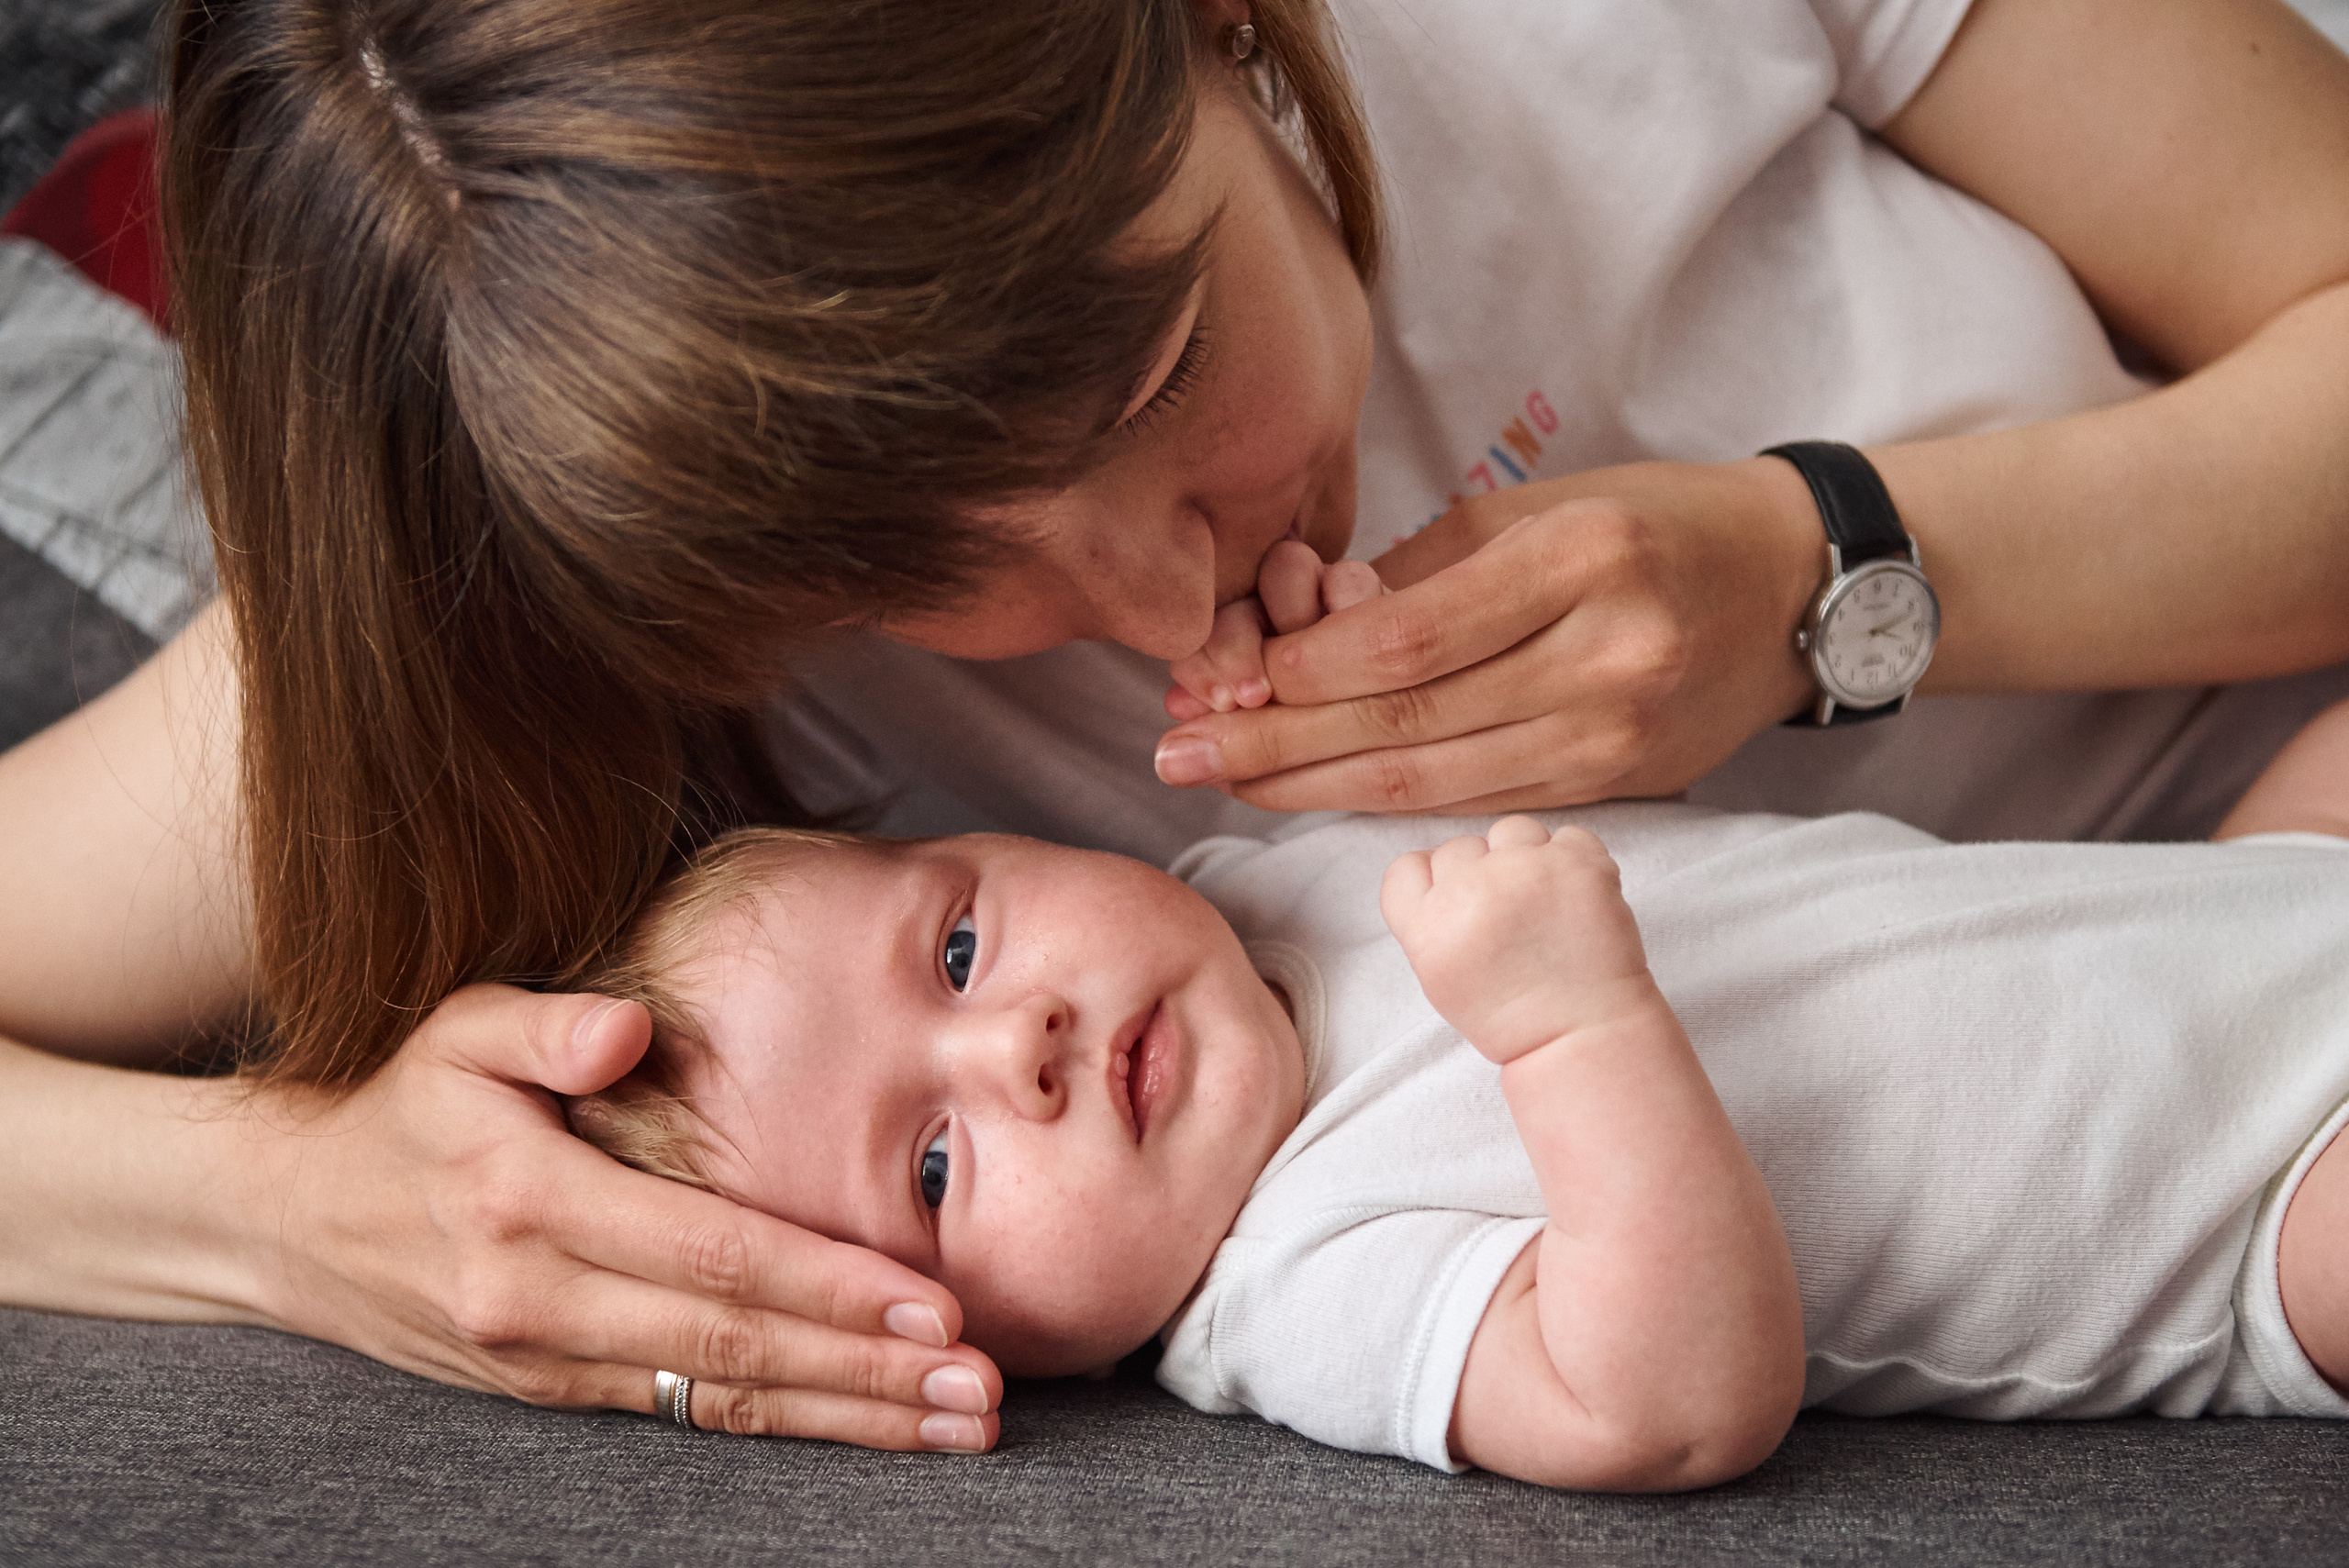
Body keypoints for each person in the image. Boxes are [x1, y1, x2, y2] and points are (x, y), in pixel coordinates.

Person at [6, 0, 2349, 1451]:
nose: (1143, 598)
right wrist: (280, 1209)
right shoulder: (589, 559)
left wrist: (1828, 572)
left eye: (1148, 376)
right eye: (914, 578)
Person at [551, 698, 2349, 1487]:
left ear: (993, 839)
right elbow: (1663, 1406)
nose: (1007, 1045)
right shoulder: (1290, 1286)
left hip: (2238, 894)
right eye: (932, 1168)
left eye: (954, 952)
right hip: (2249, 1213)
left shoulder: (1253, 881)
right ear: (951, 1329)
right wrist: (1572, 1035)